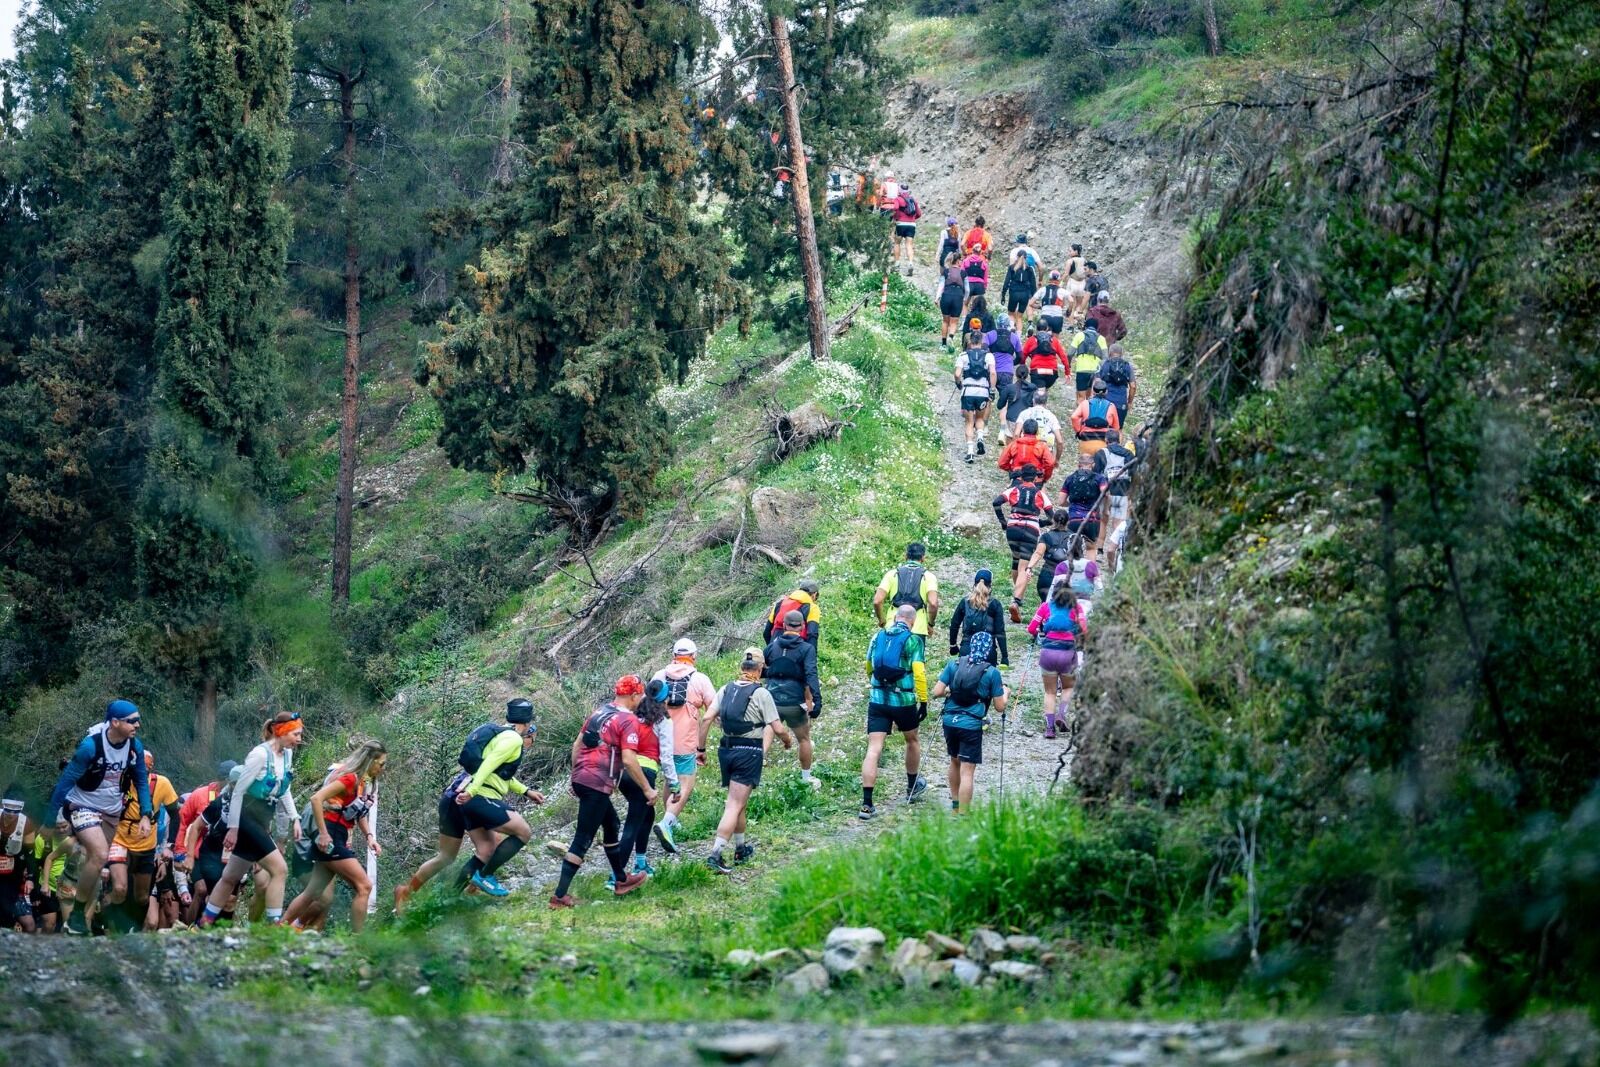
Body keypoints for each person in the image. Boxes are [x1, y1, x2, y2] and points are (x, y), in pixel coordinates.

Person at [394, 700, 533, 911]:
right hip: (471, 795)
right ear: (528, 724)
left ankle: (412, 893)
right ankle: (478, 881)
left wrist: (526, 791)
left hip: (454, 794)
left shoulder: (496, 733)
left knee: (454, 855)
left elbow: (496, 773)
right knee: (512, 835)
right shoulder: (513, 739)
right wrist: (472, 791)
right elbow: (489, 766)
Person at [47, 699, 150, 936]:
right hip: (82, 804)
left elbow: (141, 781)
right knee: (101, 853)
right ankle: (76, 914)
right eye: (132, 721)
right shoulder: (90, 747)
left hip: (112, 810)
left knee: (94, 859)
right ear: (115, 722)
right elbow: (66, 782)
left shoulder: (134, 746)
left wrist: (145, 814)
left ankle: (78, 919)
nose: (138, 725)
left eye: (138, 720)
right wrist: (49, 818)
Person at [549, 676, 654, 908]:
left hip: (583, 778)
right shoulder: (628, 720)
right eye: (640, 696)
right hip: (596, 783)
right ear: (635, 696)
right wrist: (647, 789)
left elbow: (578, 745)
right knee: (582, 839)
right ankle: (559, 896)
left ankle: (621, 879)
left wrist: (575, 776)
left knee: (612, 824)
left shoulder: (599, 712)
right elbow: (628, 759)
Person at [199, 711, 304, 927]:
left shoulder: (287, 755)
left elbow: (283, 789)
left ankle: (204, 923)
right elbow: (238, 792)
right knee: (280, 869)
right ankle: (275, 925)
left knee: (230, 876)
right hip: (247, 817)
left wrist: (295, 817)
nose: (299, 739)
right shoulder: (259, 754)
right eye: (296, 734)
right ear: (281, 732)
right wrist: (234, 828)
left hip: (263, 817)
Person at [702, 649, 794, 873]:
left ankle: (740, 848)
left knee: (738, 801)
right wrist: (787, 741)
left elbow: (706, 718)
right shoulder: (761, 693)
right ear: (759, 671)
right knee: (734, 804)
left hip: (726, 749)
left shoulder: (725, 689)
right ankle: (715, 853)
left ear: (741, 669)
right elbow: (777, 726)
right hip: (748, 751)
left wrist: (700, 748)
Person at [281, 741, 387, 931]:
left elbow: (358, 813)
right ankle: (356, 941)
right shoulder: (350, 779)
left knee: (312, 893)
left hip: (336, 834)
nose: (383, 768)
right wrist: (322, 834)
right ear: (370, 761)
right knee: (364, 886)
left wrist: (370, 837)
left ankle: (282, 928)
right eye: (381, 764)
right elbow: (316, 799)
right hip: (330, 835)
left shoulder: (365, 784)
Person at [861, 604, 930, 820]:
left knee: (874, 749)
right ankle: (911, 785)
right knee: (912, 741)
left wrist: (877, 687)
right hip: (904, 701)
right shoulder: (913, 640)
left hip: (878, 700)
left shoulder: (878, 636)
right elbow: (919, 672)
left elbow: (868, 666)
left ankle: (867, 804)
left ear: (895, 617)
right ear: (912, 620)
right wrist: (924, 701)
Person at [651, 639, 717, 854]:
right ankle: (667, 822)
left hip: (658, 741)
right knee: (685, 780)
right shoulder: (699, 679)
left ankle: (670, 817)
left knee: (669, 780)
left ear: (673, 655)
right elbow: (713, 709)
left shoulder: (659, 676)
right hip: (684, 742)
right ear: (694, 656)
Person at [932, 631, 1009, 815]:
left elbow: (936, 691)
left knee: (954, 762)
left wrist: (950, 690)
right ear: (989, 649)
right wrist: (1005, 693)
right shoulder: (991, 672)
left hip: (950, 721)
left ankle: (955, 807)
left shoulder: (955, 664)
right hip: (971, 725)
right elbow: (999, 707)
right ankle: (964, 814)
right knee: (968, 770)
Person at [106, 750, 179, 931]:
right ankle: (113, 926)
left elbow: (176, 816)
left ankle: (134, 930)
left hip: (146, 845)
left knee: (142, 897)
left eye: (142, 770)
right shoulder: (119, 781)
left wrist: (169, 846)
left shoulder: (161, 783)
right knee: (120, 889)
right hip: (120, 840)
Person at [614, 682, 677, 885]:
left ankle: (640, 862)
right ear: (665, 700)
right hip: (644, 773)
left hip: (625, 774)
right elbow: (666, 756)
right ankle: (616, 875)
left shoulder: (633, 718)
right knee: (632, 823)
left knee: (646, 815)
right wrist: (674, 784)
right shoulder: (663, 721)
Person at [764, 610, 824, 789]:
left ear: (783, 625)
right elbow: (811, 674)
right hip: (794, 703)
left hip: (772, 701)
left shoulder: (772, 647)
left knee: (767, 731)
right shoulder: (806, 648)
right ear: (803, 627)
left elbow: (764, 668)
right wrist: (817, 701)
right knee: (804, 739)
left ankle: (755, 770)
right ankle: (806, 778)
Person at [1026, 581, 1088, 740]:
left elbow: (1031, 628)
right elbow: (1084, 629)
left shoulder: (1045, 607)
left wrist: (1041, 630)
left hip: (1048, 653)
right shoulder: (1076, 608)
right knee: (1068, 687)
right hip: (1067, 653)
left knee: (1049, 691)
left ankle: (1050, 728)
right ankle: (1061, 713)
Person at [993, 463, 1054, 622]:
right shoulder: (1039, 493)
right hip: (1030, 530)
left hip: (1013, 527)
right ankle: (1016, 601)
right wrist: (1041, 523)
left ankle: (1017, 594)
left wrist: (1003, 522)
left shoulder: (1014, 490)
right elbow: (1052, 516)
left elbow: (996, 502)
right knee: (1024, 565)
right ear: (1035, 477)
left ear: (1020, 477)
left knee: (1015, 560)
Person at [184, 765, 243, 925]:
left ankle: (220, 936)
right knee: (217, 898)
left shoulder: (250, 805)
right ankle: (197, 930)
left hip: (234, 859)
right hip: (211, 856)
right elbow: (195, 827)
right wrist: (189, 856)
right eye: (236, 784)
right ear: (230, 784)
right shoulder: (219, 804)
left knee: (230, 901)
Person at [873, 541, 939, 639]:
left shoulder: (892, 574)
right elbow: (933, 603)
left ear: (905, 556)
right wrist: (930, 624)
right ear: (923, 558)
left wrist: (881, 619)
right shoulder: (929, 577)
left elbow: (877, 601)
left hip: (893, 626)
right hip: (917, 629)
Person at [946, 569, 1009, 668]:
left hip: (966, 649)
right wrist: (1004, 657)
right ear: (990, 585)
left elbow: (954, 624)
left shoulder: (965, 602)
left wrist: (953, 645)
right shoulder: (995, 604)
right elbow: (1000, 632)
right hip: (988, 652)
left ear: (974, 584)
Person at [1095, 429, 1138, 565]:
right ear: (1119, 440)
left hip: (1105, 492)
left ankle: (1100, 551)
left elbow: (1096, 474)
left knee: (1103, 521)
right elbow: (1133, 474)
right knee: (1117, 523)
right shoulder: (1129, 454)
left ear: (1106, 440)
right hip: (1122, 491)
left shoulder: (1101, 453)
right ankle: (1116, 550)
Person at [955, 330, 996, 464]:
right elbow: (993, 373)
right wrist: (992, 390)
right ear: (982, 342)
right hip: (982, 391)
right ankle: (980, 436)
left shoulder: (963, 355)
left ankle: (970, 451)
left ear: (970, 341)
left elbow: (957, 374)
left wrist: (959, 383)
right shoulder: (988, 356)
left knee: (968, 421)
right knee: (980, 418)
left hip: (968, 391)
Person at [1, 793, 37, 932]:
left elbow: (30, 853)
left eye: (15, 811)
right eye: (8, 809)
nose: (11, 814)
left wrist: (30, 878)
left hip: (12, 872)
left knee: (7, 906)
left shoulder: (26, 823)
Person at [1061, 452, 1108, 558]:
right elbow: (1106, 493)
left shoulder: (1070, 478)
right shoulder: (1099, 478)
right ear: (1093, 464)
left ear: (1079, 464)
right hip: (1092, 518)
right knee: (1091, 548)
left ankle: (1070, 572)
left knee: (1071, 546)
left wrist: (1071, 503)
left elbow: (1061, 501)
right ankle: (1090, 574)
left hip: (1074, 518)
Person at [1028, 509, 1078, 606]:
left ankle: (1043, 618)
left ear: (1053, 521)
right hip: (1067, 577)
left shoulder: (1046, 536)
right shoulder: (1074, 537)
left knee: (1046, 604)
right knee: (1064, 606)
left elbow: (1038, 553)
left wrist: (1029, 567)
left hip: (1047, 576)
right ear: (1068, 521)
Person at [985, 314, 1022, 430]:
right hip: (1007, 371)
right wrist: (1012, 362)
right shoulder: (1014, 337)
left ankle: (984, 427)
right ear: (1008, 324)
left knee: (988, 399)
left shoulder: (990, 334)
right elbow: (1020, 355)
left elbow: (984, 349)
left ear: (997, 323)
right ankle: (1002, 428)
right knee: (1005, 400)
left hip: (992, 370)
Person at [997, 418, 1057, 486]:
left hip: (1018, 478)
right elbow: (1050, 463)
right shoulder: (1042, 446)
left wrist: (1012, 469)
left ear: (1023, 430)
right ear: (1037, 432)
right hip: (1035, 479)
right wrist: (1045, 477)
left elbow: (1002, 463)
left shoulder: (1015, 444)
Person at [1071, 378, 1122, 457]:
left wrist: (1078, 431)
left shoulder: (1085, 403)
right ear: (1106, 392)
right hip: (1104, 443)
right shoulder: (1111, 406)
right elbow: (1116, 428)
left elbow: (1074, 417)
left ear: (1093, 391)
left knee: (1086, 464)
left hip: (1086, 441)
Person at [763, 579, 821, 646]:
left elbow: (766, 633)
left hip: (775, 647)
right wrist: (811, 653)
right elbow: (812, 634)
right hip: (798, 650)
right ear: (814, 594)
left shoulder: (780, 604)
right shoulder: (812, 608)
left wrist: (772, 647)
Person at [1016, 387, 1065, 466]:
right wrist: (1057, 459)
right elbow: (1060, 441)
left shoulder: (1024, 413)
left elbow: (1016, 434)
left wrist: (1016, 450)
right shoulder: (1051, 416)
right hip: (1044, 453)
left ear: (1033, 400)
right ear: (1046, 403)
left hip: (1026, 449)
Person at [1022, 322, 1067, 395]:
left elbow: (1023, 355)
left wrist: (1022, 366)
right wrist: (1067, 371)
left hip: (1037, 372)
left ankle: (1039, 403)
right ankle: (1043, 403)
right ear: (1047, 329)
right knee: (1044, 393)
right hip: (1052, 372)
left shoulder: (1032, 339)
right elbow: (1063, 356)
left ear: (1036, 329)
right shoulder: (1054, 340)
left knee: (1039, 395)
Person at [1001, 237, 1038, 323]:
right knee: (1020, 317)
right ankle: (1019, 333)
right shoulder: (1029, 269)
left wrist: (1003, 295)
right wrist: (1033, 297)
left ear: (1017, 257)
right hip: (1025, 294)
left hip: (1014, 293)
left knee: (1011, 314)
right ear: (1026, 258)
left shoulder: (1012, 268)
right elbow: (1033, 284)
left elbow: (1006, 282)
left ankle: (1011, 330)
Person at [1068, 323, 1108, 401]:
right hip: (1096, 372)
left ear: (1085, 327)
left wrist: (1068, 364)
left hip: (1082, 369)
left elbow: (1070, 353)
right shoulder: (1101, 338)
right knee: (1091, 397)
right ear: (1097, 328)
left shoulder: (1079, 335)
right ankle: (1090, 411)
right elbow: (1105, 357)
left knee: (1081, 397)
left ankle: (1081, 412)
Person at [1099, 343, 1137, 425]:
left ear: (1109, 352)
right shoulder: (1128, 365)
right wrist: (1129, 402)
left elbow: (1097, 382)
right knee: (1118, 429)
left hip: (1105, 401)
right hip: (1121, 403)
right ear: (1122, 353)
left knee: (1104, 427)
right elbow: (1133, 386)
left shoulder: (1103, 364)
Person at [937, 252, 965, 348]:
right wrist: (965, 298)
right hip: (958, 297)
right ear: (957, 261)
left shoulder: (946, 272)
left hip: (946, 296)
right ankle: (951, 337)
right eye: (961, 260)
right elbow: (968, 289)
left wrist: (937, 297)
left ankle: (944, 343)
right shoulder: (963, 273)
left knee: (945, 321)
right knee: (954, 321)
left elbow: (941, 285)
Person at [890, 185, 921, 268]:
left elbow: (896, 207)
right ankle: (910, 263)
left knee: (897, 243)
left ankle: (897, 263)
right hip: (911, 225)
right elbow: (919, 214)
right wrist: (912, 219)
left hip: (901, 224)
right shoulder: (913, 200)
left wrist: (895, 217)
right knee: (909, 245)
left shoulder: (898, 199)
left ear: (900, 191)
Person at [1002, 363, 1034, 443]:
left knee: (1010, 443)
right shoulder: (1033, 388)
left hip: (1011, 418)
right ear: (1027, 375)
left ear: (1016, 375)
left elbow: (1000, 405)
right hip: (1026, 420)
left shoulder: (1009, 388)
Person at [1062, 243, 1089, 325]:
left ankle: (1071, 323)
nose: (1069, 253)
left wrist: (1061, 282)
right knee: (1079, 304)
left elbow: (1066, 274)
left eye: (1070, 251)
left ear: (1075, 251)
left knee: (1071, 305)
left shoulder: (1070, 261)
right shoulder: (1084, 260)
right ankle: (1077, 319)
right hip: (1082, 283)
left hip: (1073, 283)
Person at [960, 248, 989, 320]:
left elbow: (962, 273)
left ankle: (964, 321)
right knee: (977, 304)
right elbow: (985, 276)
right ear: (980, 253)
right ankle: (977, 322)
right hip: (979, 285)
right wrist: (984, 286)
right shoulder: (983, 262)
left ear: (972, 251)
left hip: (968, 284)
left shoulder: (966, 261)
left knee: (965, 304)